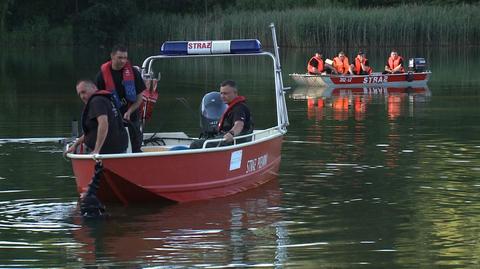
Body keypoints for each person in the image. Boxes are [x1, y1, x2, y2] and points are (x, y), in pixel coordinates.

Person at [96, 44, 146, 152]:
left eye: (125, 58)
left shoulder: (134, 73)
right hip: (112, 118)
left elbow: (139, 98)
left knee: (136, 145)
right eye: (120, 58)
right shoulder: (101, 76)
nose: (123, 61)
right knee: (113, 146)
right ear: (112, 56)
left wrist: (129, 111)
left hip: (131, 116)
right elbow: (98, 101)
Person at [65, 80, 128, 155]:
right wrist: (75, 145)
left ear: (94, 88)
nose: (82, 97)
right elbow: (92, 131)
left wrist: (96, 150)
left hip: (104, 152)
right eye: (79, 94)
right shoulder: (105, 99)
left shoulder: (96, 101)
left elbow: (103, 124)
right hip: (119, 149)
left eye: (84, 92)